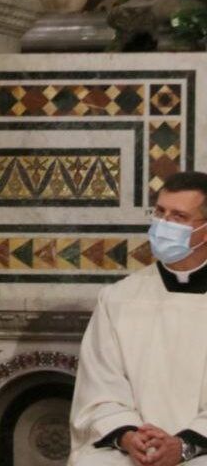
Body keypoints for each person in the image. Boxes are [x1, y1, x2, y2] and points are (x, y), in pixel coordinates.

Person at [69, 171, 207, 465]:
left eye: (179, 217)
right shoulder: (119, 298)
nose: (164, 225)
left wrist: (183, 446)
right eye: (160, 213)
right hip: (131, 449)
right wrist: (130, 436)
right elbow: (99, 388)